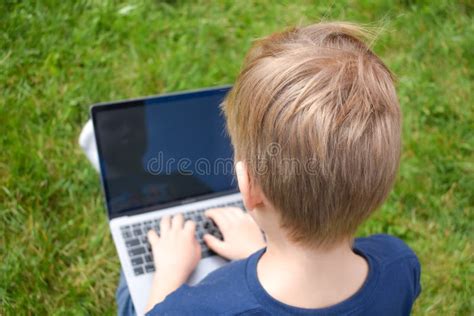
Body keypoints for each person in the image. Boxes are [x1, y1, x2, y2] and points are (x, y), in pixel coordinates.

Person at [117, 21, 421, 315]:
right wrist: (255, 251)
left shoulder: (192, 309)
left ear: (248, 187)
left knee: (130, 287)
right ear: (380, 183)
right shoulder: (399, 264)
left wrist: (169, 273)